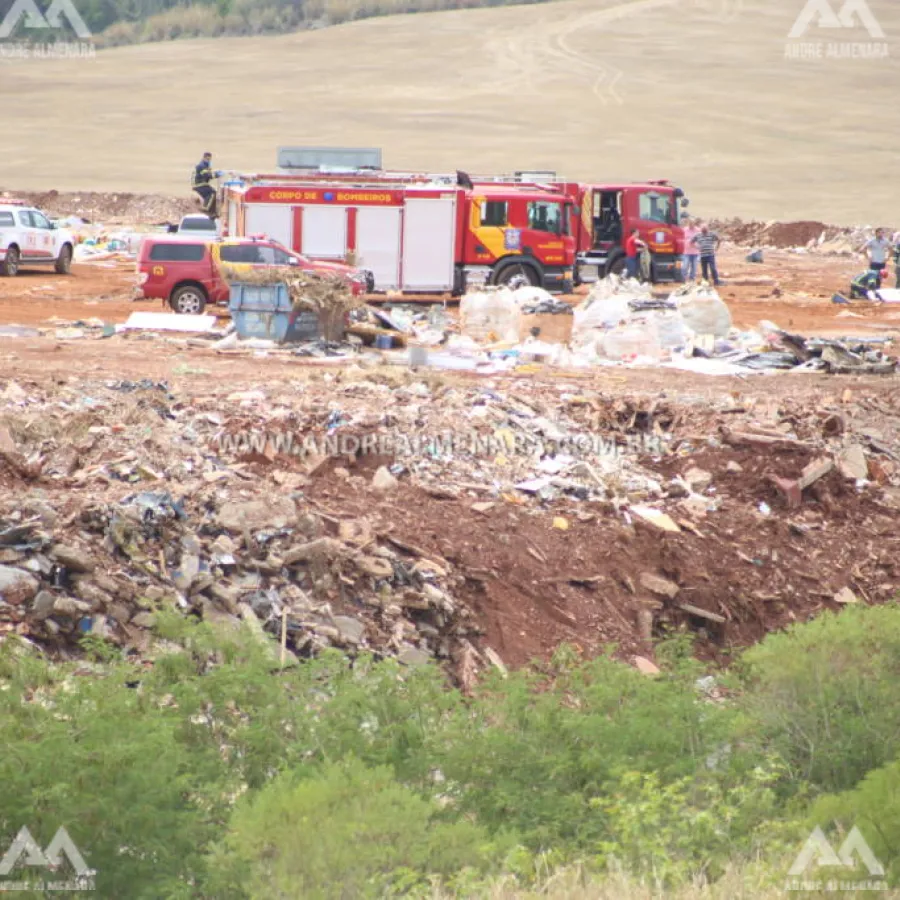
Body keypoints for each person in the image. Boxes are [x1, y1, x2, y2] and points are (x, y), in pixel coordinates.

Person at [191, 152, 221, 218]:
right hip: (199, 184)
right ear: (204, 158)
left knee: (212, 193)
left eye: (209, 159)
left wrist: (215, 173)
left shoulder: (205, 166)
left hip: (202, 184)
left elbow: (209, 174)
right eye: (207, 159)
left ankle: (212, 211)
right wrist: (216, 175)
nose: (209, 161)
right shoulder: (201, 166)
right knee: (212, 193)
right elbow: (207, 175)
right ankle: (206, 209)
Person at [682, 217, 700, 282]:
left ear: (694, 223)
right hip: (686, 252)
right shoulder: (684, 230)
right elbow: (681, 238)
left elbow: (700, 239)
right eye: (690, 223)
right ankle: (684, 279)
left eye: (692, 223)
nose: (691, 224)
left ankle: (692, 280)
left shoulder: (698, 230)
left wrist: (697, 245)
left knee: (694, 268)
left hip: (695, 252)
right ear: (688, 223)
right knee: (684, 267)